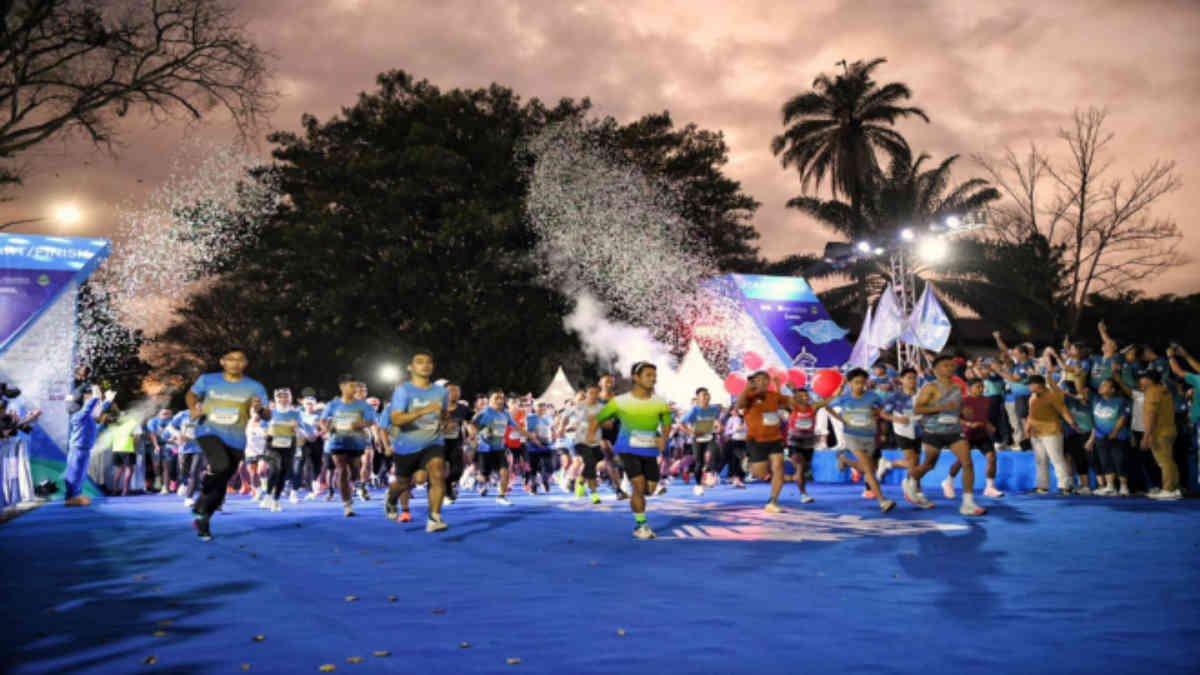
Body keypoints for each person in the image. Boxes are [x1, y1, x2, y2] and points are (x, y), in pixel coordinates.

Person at [187, 347, 269, 541]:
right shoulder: (208, 379)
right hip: (208, 429)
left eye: (240, 359)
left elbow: (266, 414)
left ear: (246, 363)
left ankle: (203, 515)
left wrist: (260, 409)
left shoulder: (255, 386)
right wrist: (193, 408)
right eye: (231, 359)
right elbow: (191, 394)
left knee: (223, 482)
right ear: (223, 362)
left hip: (236, 438)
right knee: (220, 465)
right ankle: (205, 489)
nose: (235, 363)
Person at [587, 361, 672, 540]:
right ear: (635, 377)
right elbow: (597, 419)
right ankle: (641, 525)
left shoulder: (659, 401)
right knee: (638, 485)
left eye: (654, 376)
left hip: (648, 448)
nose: (653, 379)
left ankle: (629, 486)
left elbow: (666, 422)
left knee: (649, 488)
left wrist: (663, 437)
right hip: (627, 447)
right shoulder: (620, 401)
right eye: (648, 375)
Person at [907, 355, 988, 516]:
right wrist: (942, 407)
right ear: (936, 370)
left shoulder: (958, 388)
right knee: (929, 465)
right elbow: (917, 409)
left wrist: (964, 412)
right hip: (934, 431)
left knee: (967, 463)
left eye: (951, 366)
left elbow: (957, 408)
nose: (950, 368)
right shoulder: (930, 387)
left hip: (954, 431)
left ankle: (968, 503)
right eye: (945, 366)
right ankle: (909, 481)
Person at [383, 352, 450, 531]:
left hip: (433, 442)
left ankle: (434, 518)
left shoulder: (442, 392)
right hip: (407, 445)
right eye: (420, 362)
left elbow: (443, 415)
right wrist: (423, 411)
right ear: (410, 368)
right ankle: (391, 499)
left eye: (429, 362)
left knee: (437, 472)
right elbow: (397, 419)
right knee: (403, 483)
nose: (425, 365)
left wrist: (446, 422)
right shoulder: (403, 390)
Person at [823, 369, 895, 513]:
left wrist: (877, 413)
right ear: (850, 383)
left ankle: (844, 459)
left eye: (863, 382)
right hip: (852, 436)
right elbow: (827, 405)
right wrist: (840, 419)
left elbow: (884, 407)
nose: (860, 385)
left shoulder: (872, 396)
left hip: (869, 437)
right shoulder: (844, 398)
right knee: (869, 471)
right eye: (856, 382)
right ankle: (883, 501)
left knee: (867, 468)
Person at [735, 371, 797, 512]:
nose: (763, 382)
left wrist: (794, 391)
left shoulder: (773, 396)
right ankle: (749, 465)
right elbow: (739, 405)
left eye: (765, 380)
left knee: (778, 467)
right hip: (756, 440)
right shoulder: (749, 396)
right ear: (754, 382)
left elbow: (793, 402)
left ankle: (773, 501)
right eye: (759, 380)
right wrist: (746, 388)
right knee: (761, 474)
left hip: (775, 438)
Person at [320, 375, 378, 517]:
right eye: (351, 386)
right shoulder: (332, 405)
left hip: (356, 442)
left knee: (354, 470)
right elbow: (322, 421)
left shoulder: (363, 405)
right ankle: (347, 504)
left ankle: (356, 483)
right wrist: (327, 429)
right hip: (337, 441)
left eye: (356, 386)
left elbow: (371, 421)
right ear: (342, 387)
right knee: (341, 470)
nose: (355, 389)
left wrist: (361, 424)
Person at [943, 378, 1005, 499]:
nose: (981, 389)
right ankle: (948, 482)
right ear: (969, 388)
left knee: (992, 458)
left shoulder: (986, 400)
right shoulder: (961, 401)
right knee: (962, 461)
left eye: (982, 387)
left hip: (981, 434)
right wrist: (969, 424)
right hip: (965, 435)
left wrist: (988, 424)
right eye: (978, 387)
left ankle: (990, 487)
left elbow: (982, 416)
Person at [1023, 374, 1080, 495]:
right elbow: (1030, 414)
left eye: (1030, 385)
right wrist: (1027, 429)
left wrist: (1073, 424)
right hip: (1036, 434)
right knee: (1040, 460)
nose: (1028, 387)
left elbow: (1063, 411)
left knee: (1057, 459)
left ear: (1038, 385)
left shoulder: (1053, 396)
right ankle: (1042, 486)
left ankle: (1065, 486)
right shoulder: (1032, 397)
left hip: (1051, 432)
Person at [471, 390, 526, 505]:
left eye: (502, 398)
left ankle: (501, 496)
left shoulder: (505, 413)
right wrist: (480, 434)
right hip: (484, 449)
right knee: (484, 477)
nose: (500, 400)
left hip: (500, 449)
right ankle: (476, 478)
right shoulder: (484, 413)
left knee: (505, 472)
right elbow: (472, 426)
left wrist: (528, 435)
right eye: (497, 398)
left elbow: (516, 427)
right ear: (490, 400)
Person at [63, 385, 114, 506]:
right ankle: (71, 496)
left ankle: (76, 494)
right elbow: (89, 408)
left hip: (84, 448)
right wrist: (96, 397)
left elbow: (97, 410)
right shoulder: (79, 416)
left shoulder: (86, 416)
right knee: (75, 472)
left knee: (81, 473)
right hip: (78, 448)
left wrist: (108, 400)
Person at [263, 388, 305, 512]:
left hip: (288, 445)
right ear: (275, 399)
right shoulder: (270, 412)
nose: (283, 399)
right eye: (280, 397)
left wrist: (297, 428)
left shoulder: (296, 414)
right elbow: (260, 428)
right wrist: (266, 431)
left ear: (290, 398)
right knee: (275, 469)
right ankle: (268, 494)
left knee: (283, 473)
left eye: (286, 397)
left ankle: (276, 500)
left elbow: (303, 433)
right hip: (272, 445)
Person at [1139, 370, 1180, 500]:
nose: (1140, 381)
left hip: (1159, 432)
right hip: (1169, 430)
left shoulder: (1152, 392)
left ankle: (1168, 490)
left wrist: (1146, 436)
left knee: (1164, 462)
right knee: (1169, 460)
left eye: (1142, 378)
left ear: (1149, 380)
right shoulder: (1164, 390)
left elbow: (1152, 415)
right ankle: (1174, 489)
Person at [1087, 378, 1131, 496]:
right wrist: (1092, 438)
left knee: (1120, 461)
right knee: (1105, 461)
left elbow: (1123, 417)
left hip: (1118, 436)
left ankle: (1123, 487)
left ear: (1112, 390)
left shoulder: (1121, 401)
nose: (1101, 387)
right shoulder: (1096, 400)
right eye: (1101, 384)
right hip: (1100, 436)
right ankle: (1110, 486)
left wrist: (1115, 431)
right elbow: (1094, 420)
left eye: (1105, 385)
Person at [679, 387, 722, 496]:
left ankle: (709, 473)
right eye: (704, 395)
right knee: (699, 463)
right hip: (698, 439)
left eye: (708, 394)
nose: (706, 397)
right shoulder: (694, 410)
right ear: (698, 398)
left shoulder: (714, 408)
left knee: (716, 451)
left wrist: (719, 425)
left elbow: (716, 420)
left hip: (710, 436)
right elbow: (681, 423)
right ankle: (698, 485)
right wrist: (692, 432)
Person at [569, 385, 605, 504]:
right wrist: (562, 427)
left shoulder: (600, 407)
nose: (593, 395)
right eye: (591, 393)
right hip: (581, 442)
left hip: (595, 442)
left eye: (596, 393)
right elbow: (565, 417)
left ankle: (580, 481)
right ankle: (594, 494)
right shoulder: (579, 407)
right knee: (589, 463)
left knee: (594, 463)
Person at [785, 388, 818, 503]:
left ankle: (788, 478)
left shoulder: (813, 407)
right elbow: (784, 397)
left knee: (804, 469)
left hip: (809, 442)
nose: (804, 397)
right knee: (799, 467)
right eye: (801, 395)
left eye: (806, 395)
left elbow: (829, 399)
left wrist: (841, 387)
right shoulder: (793, 407)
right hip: (794, 441)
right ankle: (804, 494)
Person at [441, 383, 471, 506]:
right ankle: (446, 492)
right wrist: (445, 427)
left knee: (458, 470)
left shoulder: (463, 408)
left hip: (455, 443)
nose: (455, 393)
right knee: (442, 469)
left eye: (457, 390)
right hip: (438, 443)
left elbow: (470, 422)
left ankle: (448, 486)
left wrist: (472, 435)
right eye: (452, 390)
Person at [109, 408, 143, 496]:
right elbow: (136, 437)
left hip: (116, 448)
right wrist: (134, 448)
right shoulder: (134, 423)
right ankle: (125, 490)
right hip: (128, 448)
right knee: (129, 469)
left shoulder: (116, 424)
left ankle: (115, 490)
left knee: (119, 469)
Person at [146, 408, 176, 495]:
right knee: (156, 465)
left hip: (168, 445)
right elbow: (152, 434)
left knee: (166, 466)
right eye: (164, 413)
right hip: (155, 445)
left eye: (167, 414)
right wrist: (156, 446)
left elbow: (176, 432)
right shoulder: (152, 421)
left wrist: (173, 439)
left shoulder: (172, 421)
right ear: (159, 414)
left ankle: (165, 487)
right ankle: (157, 479)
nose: (166, 415)